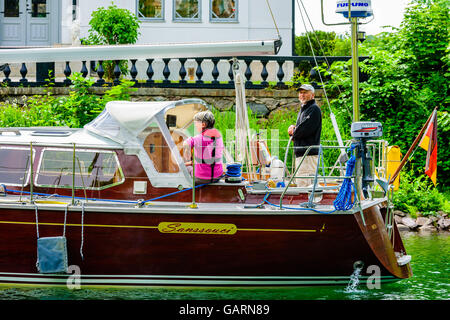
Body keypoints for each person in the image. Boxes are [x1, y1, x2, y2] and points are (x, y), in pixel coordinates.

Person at [288, 84, 322, 187]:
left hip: (308, 154)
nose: (302, 95)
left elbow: (304, 129)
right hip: (302, 154)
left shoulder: (314, 109)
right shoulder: (304, 109)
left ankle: (307, 202)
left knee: (305, 184)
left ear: (312, 95)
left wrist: (293, 131)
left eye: (305, 92)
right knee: (301, 181)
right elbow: (301, 128)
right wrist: (294, 129)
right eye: (301, 92)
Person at [184, 111, 224, 184]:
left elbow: (185, 144)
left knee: (187, 168)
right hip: (217, 176)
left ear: (203, 124)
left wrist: (187, 153)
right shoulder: (219, 137)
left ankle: (189, 193)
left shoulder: (197, 139)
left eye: (196, 123)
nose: (195, 125)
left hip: (201, 178)